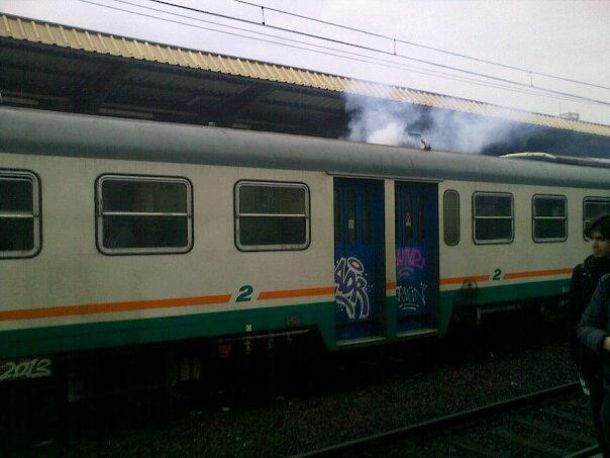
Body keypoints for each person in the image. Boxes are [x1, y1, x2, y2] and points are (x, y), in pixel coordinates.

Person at [575, 214, 610, 457]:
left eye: (601, 239)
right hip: (594, 359)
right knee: (602, 420)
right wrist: (579, 359)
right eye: (593, 239)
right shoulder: (585, 273)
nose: (594, 245)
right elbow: (577, 322)